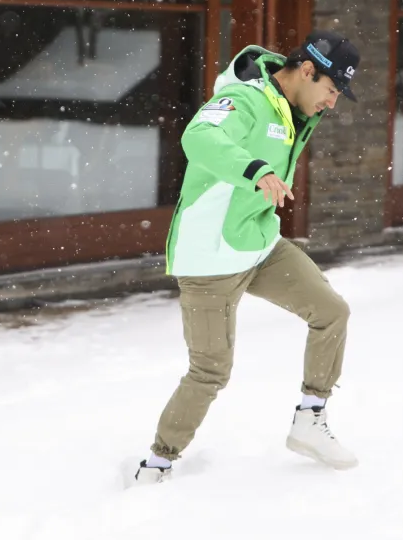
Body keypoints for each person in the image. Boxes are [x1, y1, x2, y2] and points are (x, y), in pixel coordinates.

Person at [132, 31, 362, 484]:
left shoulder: (291, 110)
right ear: (308, 71)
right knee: (210, 371)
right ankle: (157, 464)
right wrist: (255, 171)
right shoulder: (245, 98)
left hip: (257, 245)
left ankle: (309, 420)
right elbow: (199, 137)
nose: (333, 103)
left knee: (331, 311)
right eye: (332, 90)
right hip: (211, 257)